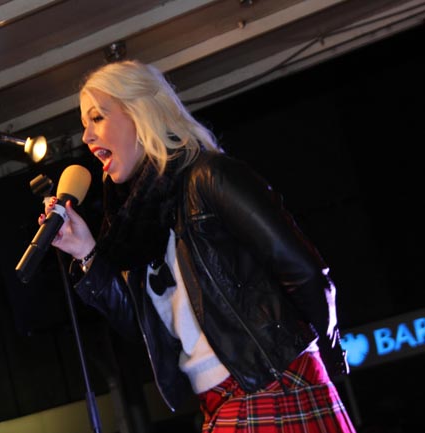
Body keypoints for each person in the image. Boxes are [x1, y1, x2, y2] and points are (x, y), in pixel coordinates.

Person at [39, 59, 355, 432]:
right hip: (216, 399)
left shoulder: (209, 177)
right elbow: (141, 327)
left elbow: (305, 273)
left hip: (273, 380)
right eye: (84, 124)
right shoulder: (133, 222)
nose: (87, 137)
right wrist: (85, 252)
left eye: (97, 118)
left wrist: (321, 361)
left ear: (141, 113)